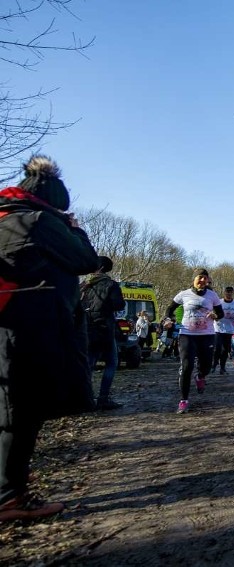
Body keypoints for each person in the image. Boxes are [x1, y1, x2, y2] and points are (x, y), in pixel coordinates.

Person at [0, 155, 100, 522]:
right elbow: (85, 259)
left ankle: (10, 486)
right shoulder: (39, 221)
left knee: (9, 408)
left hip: (7, 325)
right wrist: (73, 228)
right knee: (21, 413)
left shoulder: (4, 217)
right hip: (29, 330)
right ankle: (10, 496)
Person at [164, 268, 224, 414]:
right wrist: (167, 320)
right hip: (187, 334)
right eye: (200, 277)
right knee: (186, 366)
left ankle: (200, 376)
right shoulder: (184, 294)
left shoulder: (212, 295)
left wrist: (215, 315)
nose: (203, 280)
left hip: (206, 335)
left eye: (205, 278)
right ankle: (183, 400)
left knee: (206, 367)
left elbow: (220, 313)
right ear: (194, 279)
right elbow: (169, 309)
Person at [81, 255, 127, 410]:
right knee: (112, 362)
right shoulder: (111, 285)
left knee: (89, 363)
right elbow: (118, 305)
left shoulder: (85, 285)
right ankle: (103, 398)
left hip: (87, 328)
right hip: (105, 329)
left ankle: (84, 398)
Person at [213, 286, 234, 375]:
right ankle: (214, 364)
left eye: (230, 292)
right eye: (227, 292)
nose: (228, 294)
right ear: (224, 293)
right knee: (217, 348)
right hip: (218, 328)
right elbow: (213, 312)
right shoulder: (219, 302)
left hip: (229, 329)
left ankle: (222, 367)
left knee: (225, 350)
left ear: (232, 293)